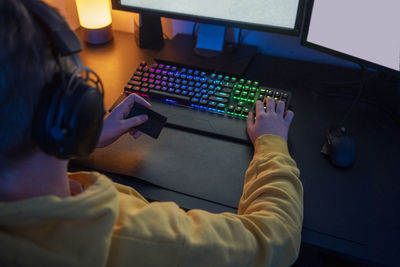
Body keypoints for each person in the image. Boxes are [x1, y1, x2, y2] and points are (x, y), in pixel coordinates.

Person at [0, 0, 303, 266]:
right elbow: (274, 238)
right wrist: (272, 141)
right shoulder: (135, 238)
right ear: (73, 110)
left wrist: (84, 141)